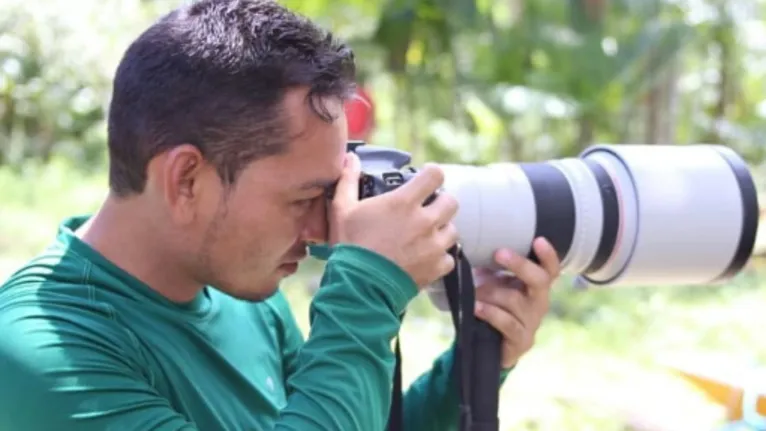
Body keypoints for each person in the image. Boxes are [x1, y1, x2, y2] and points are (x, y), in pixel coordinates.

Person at [0, 0, 561, 430]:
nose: (321, 234)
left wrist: (473, 361)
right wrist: (365, 294)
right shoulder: (40, 356)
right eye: (302, 199)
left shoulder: (246, 294)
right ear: (185, 179)